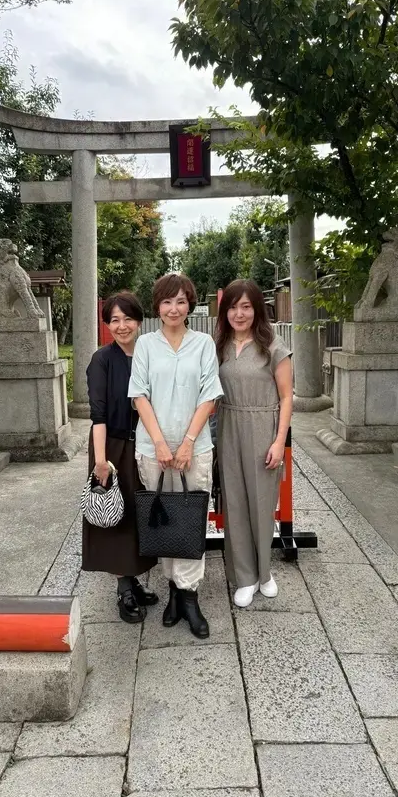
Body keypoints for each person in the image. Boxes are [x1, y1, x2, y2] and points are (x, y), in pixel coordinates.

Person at [128, 273, 223, 639]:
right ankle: (173, 590)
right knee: (163, 519)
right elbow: (139, 395)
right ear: (158, 306)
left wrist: (186, 442)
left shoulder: (203, 344)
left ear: (190, 305)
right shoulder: (146, 345)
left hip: (194, 448)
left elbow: (209, 396)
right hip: (153, 449)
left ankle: (189, 596)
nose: (173, 308)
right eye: (167, 301)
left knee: (190, 519)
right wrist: (160, 443)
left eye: (181, 301)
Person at [214, 279, 293, 608]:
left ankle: (265, 573)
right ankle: (245, 577)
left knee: (262, 503)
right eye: (233, 307)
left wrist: (279, 442)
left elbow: (287, 397)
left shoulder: (273, 345)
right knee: (234, 503)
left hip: (263, 428)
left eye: (246, 306)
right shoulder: (219, 344)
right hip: (229, 426)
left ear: (257, 308)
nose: (239, 313)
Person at [82, 292, 158, 624]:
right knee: (115, 514)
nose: (122, 326)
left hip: (145, 445)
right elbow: (97, 415)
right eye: (114, 320)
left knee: (140, 514)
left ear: (139, 320)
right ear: (107, 325)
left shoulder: (149, 354)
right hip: (111, 447)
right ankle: (124, 587)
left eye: (128, 318)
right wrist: (101, 461)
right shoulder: (102, 360)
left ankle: (134, 579)